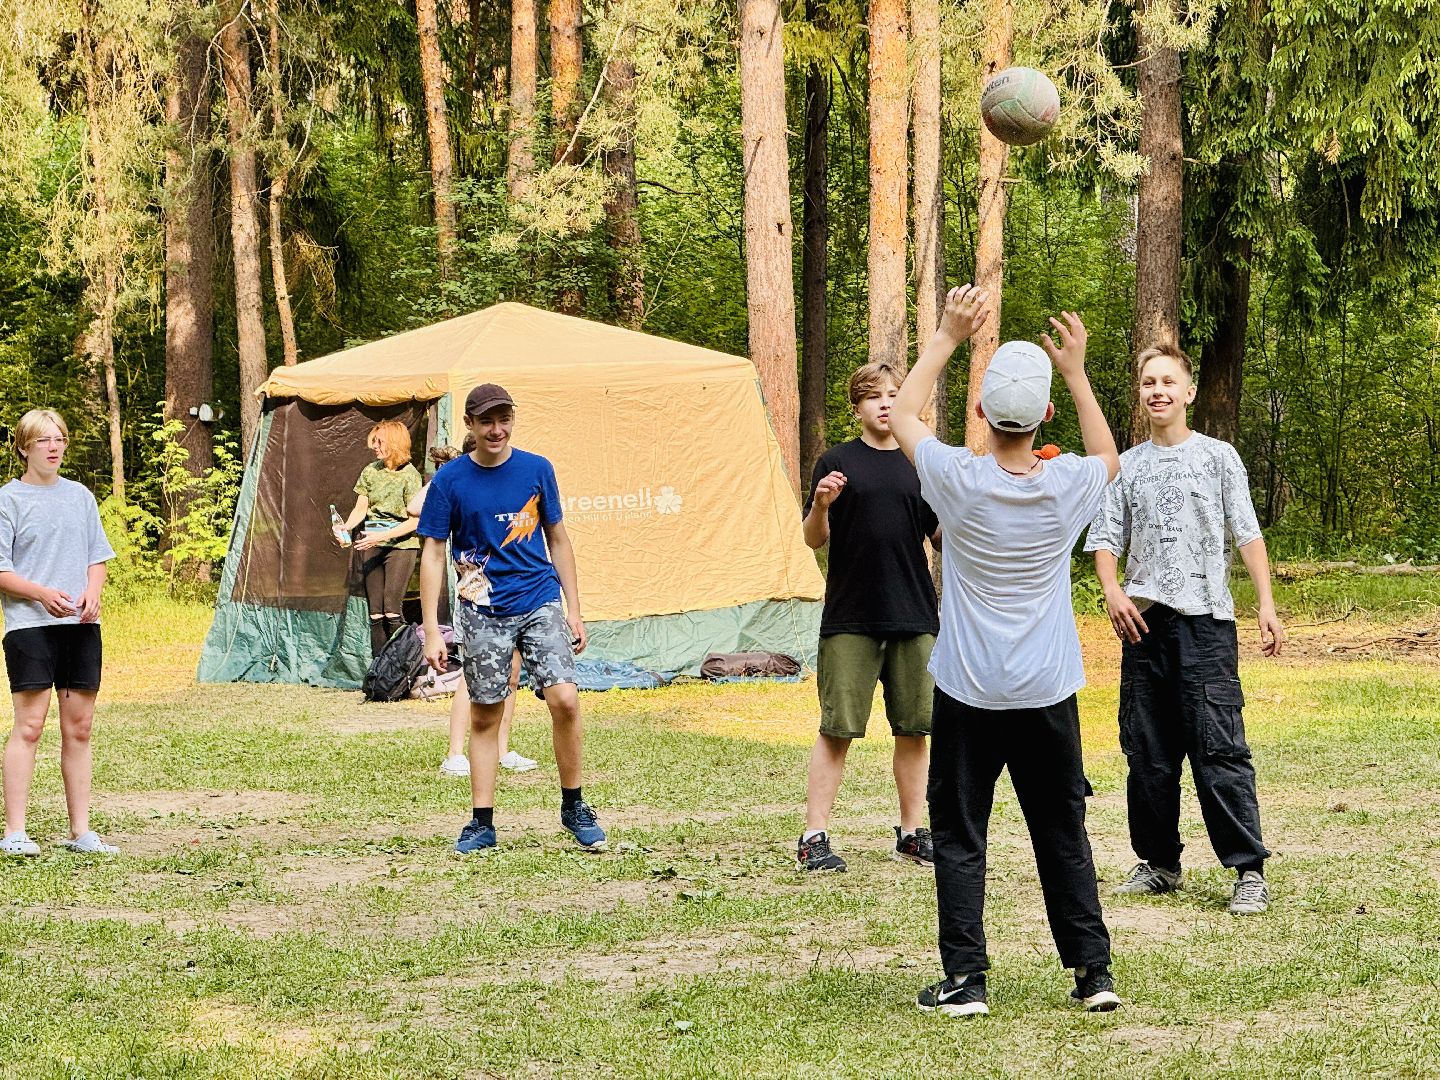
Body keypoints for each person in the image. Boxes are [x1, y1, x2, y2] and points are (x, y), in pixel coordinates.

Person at [889, 287, 1123, 1017]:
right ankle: (1093, 974)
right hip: (1047, 690)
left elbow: (901, 416)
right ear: (1046, 413)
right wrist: (1077, 372)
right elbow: (1108, 455)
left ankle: (966, 981)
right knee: (1062, 830)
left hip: (969, 690)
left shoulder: (957, 481)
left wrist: (946, 336)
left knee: (960, 834)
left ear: (982, 414)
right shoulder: (1068, 484)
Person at [1085, 345, 1282, 916]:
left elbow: (1247, 532)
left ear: (1188, 393)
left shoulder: (1218, 457)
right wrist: (1113, 590)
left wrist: (1265, 604)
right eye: (1149, 382)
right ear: (1141, 393)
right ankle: (1159, 863)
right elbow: (1106, 537)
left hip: (1207, 624)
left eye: (1169, 381)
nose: (1158, 391)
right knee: (1147, 752)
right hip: (1144, 626)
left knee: (1219, 748)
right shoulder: (1125, 465)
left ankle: (1248, 870)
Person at [417, 383, 601, 853]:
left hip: (540, 599)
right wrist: (432, 630)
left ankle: (574, 806)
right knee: (486, 713)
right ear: (470, 425)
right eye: (486, 421)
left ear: (513, 420)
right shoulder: (450, 481)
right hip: (481, 610)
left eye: (504, 419)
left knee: (565, 699)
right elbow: (433, 554)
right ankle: (482, 822)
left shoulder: (537, 469)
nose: (496, 430)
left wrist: (574, 608)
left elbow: (558, 540)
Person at [796, 362, 941, 873]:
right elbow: (813, 539)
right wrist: (821, 504)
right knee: (836, 729)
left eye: (894, 394)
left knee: (914, 730)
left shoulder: (920, 462)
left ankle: (912, 833)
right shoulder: (836, 462)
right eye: (874, 396)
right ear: (857, 406)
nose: (885, 403)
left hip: (914, 615)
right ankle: (814, 836)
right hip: (850, 617)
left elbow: (941, 536)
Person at [0, 409, 118, 856]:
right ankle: (15, 832)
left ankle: (80, 832)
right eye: (43, 440)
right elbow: (2, 571)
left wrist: (93, 592)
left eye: (60, 439)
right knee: (29, 727)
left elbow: (96, 557)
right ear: (23, 447)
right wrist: (41, 594)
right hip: (30, 627)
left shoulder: (80, 497)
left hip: (80, 627)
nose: (53, 447)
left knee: (80, 728)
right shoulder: (8, 500)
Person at [401, 440, 537, 779]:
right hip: (475, 598)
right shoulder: (455, 480)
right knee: (471, 677)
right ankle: (455, 754)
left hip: (512, 596)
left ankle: (502, 750)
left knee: (511, 674)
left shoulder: (505, 482)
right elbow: (415, 507)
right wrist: (449, 474)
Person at [340, 420, 423, 659]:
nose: (374, 447)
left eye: (379, 442)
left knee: (391, 611)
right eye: (374, 442)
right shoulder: (370, 471)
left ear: (395, 443)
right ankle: (380, 669)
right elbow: (360, 509)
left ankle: (405, 665)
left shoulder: (410, 476)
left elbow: (415, 521)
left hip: (401, 546)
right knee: (375, 613)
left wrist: (383, 535)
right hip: (372, 544)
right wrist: (345, 527)